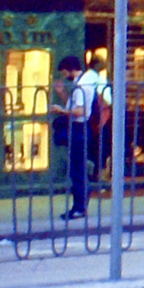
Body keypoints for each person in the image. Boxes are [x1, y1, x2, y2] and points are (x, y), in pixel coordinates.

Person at [58, 56, 93, 219]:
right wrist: (63, 95)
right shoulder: (81, 83)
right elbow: (73, 107)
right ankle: (79, 206)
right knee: (77, 170)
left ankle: (79, 207)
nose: (65, 76)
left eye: (65, 72)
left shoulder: (81, 85)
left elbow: (80, 111)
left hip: (79, 129)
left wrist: (60, 110)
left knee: (77, 170)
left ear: (71, 69)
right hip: (80, 128)